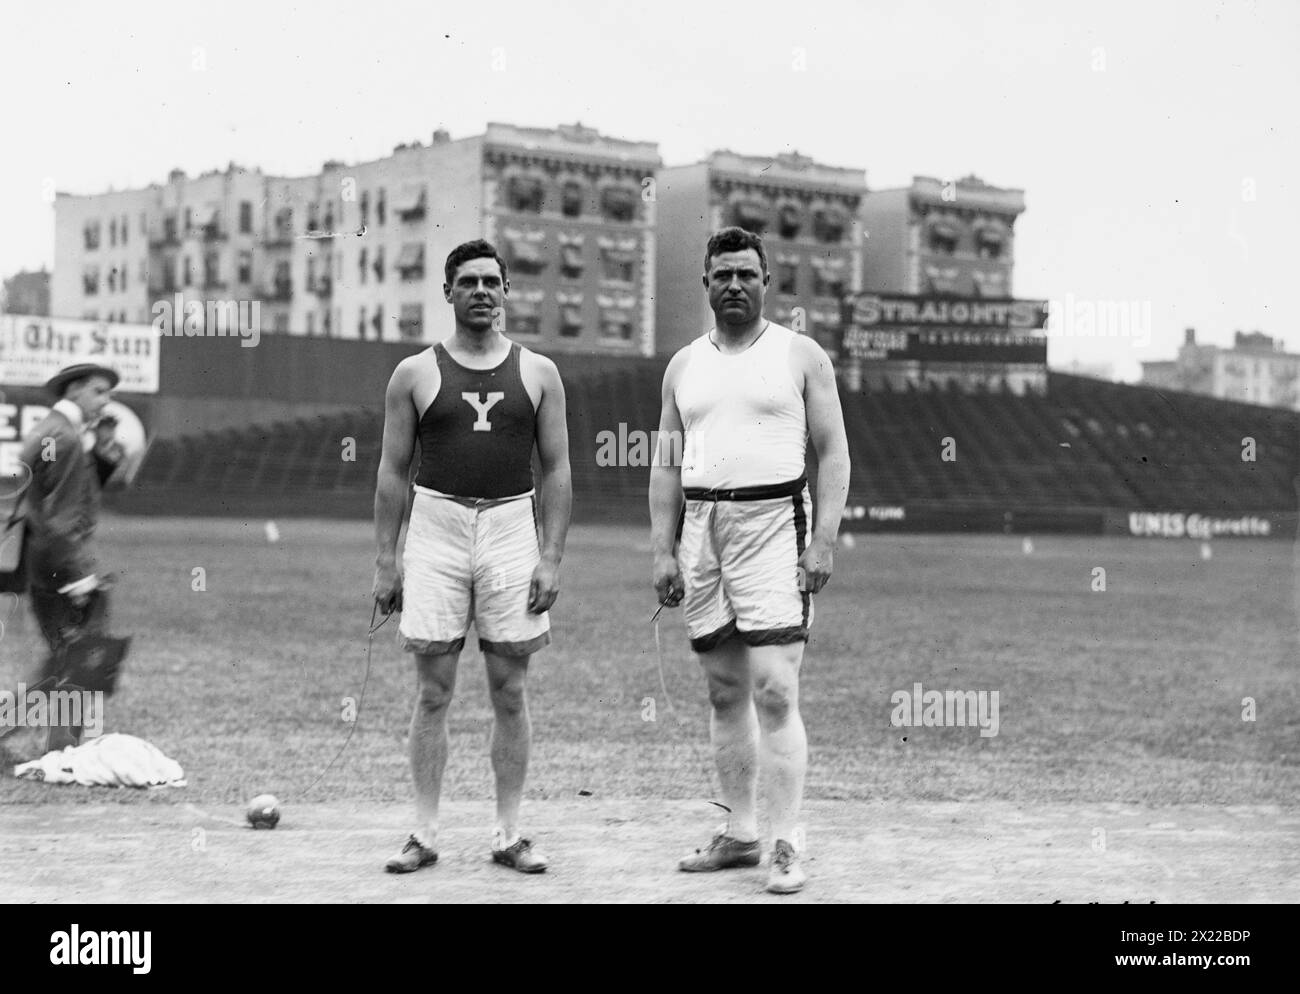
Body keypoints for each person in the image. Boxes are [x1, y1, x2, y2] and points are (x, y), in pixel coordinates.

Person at [648, 227, 850, 894]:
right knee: (724, 687)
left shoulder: (801, 356)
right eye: (721, 274)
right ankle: (739, 834)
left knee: (774, 686)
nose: (734, 284)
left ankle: (788, 841)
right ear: (705, 284)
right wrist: (664, 548)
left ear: (767, 283)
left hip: (773, 523)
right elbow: (665, 464)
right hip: (702, 526)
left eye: (746, 273)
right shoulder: (684, 366)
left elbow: (834, 452)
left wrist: (823, 538)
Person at [373, 239, 572, 875]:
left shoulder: (539, 373)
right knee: (434, 689)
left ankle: (509, 833)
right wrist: (387, 558)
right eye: (468, 282)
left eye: (492, 281)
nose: (481, 291)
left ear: (507, 291)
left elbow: (559, 470)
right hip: (437, 523)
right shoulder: (414, 374)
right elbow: (392, 471)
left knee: (510, 688)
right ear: (449, 293)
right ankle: (424, 834)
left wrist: (552, 557)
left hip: (513, 525)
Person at [18, 362, 125, 751]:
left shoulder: (53, 432)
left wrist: (100, 459)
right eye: (100, 392)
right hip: (61, 560)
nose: (106, 401)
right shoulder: (63, 438)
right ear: (75, 390)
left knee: (70, 654)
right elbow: (60, 515)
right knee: (84, 651)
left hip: (46, 558)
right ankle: (61, 747)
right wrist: (79, 574)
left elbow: (55, 496)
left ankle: (61, 744)